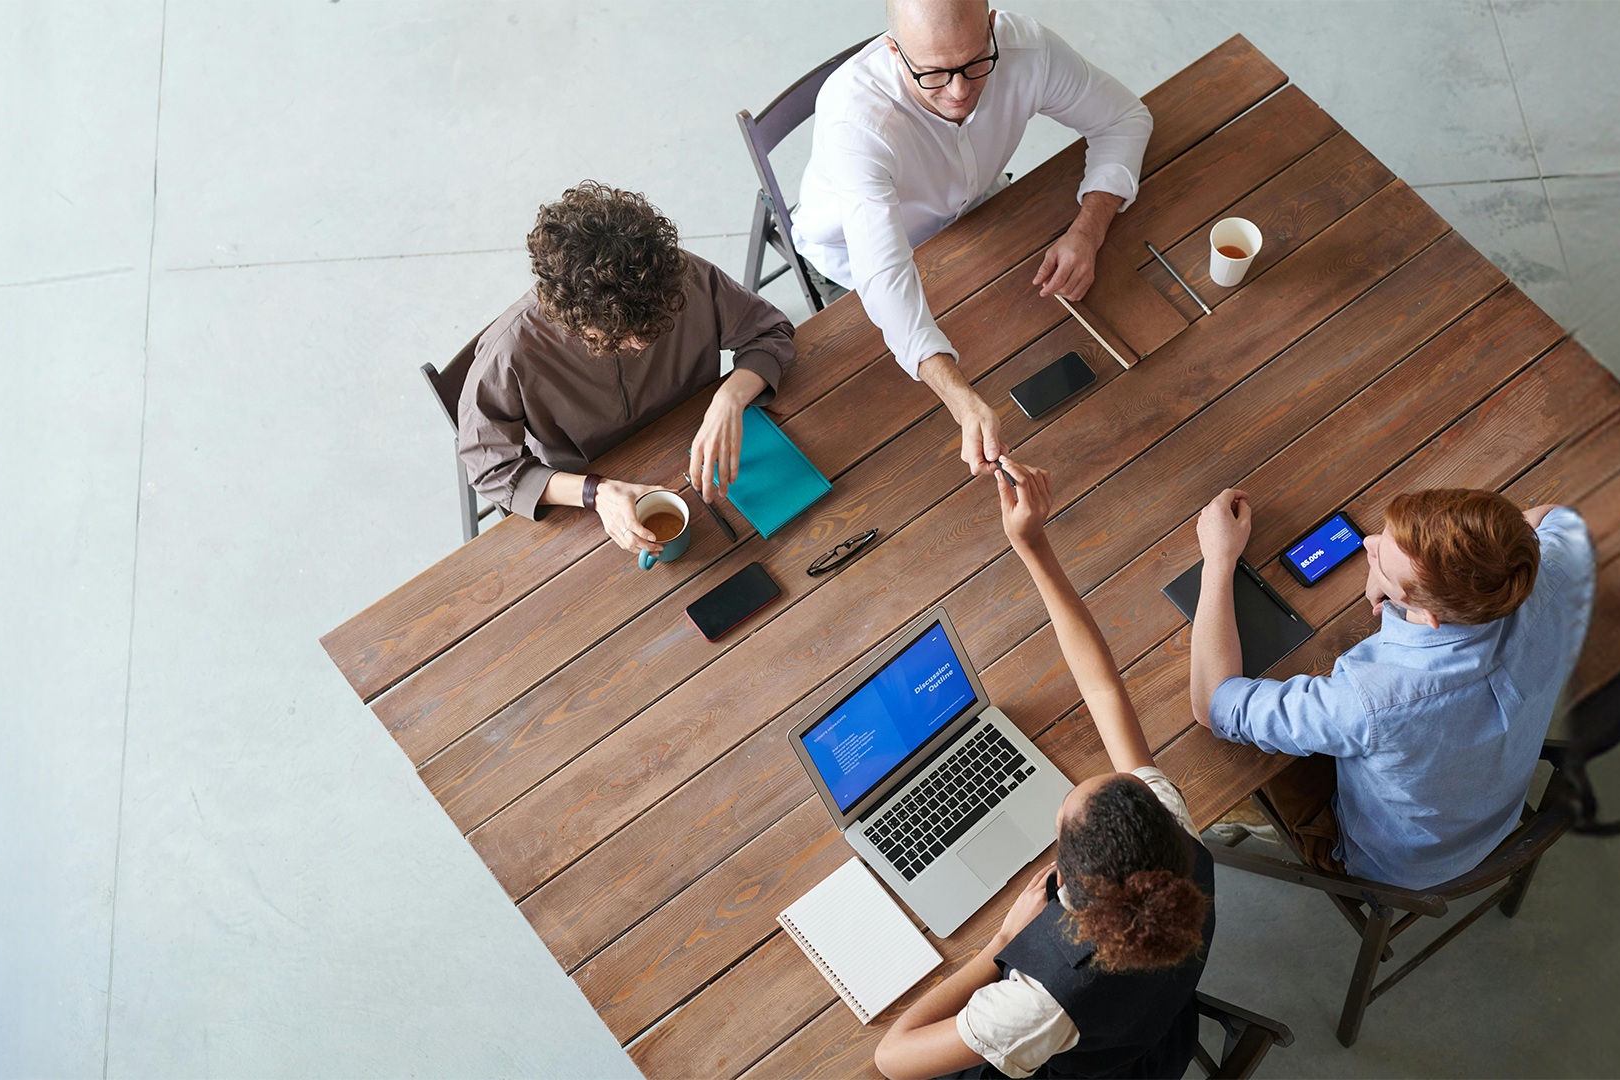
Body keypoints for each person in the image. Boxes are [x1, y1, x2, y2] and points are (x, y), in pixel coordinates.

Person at [875, 458, 1216, 1080]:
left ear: (1068, 890)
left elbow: (891, 1058)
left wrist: (1001, 944)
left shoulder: (1040, 1000)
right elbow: (1106, 691)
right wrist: (1032, 545)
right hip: (1158, 1030)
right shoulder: (1181, 845)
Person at [793, 0, 1152, 477]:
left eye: (975, 63)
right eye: (935, 74)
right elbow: (885, 278)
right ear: (894, 51)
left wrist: (1088, 230)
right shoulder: (856, 121)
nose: (960, 92)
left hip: (978, 212)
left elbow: (1124, 118)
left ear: (992, 25)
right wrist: (962, 401)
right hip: (850, 256)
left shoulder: (1027, 48)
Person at [1180, 487, 1592, 891]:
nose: (1368, 542)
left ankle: (1247, 815)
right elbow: (1558, 514)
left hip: (1389, 867)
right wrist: (1420, 584)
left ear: (1429, 614)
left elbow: (1214, 702)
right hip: (1494, 812)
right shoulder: (1551, 575)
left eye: (1381, 557)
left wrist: (1219, 558)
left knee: (1233, 761)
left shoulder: (1369, 699)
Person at [456, 182, 801, 553]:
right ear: (571, 317)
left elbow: (769, 331)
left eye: (653, 322)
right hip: (592, 510)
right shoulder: (510, 350)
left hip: (708, 461)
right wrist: (595, 492)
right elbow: (488, 466)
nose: (641, 343)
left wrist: (730, 398)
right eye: (620, 334)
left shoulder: (680, 277)